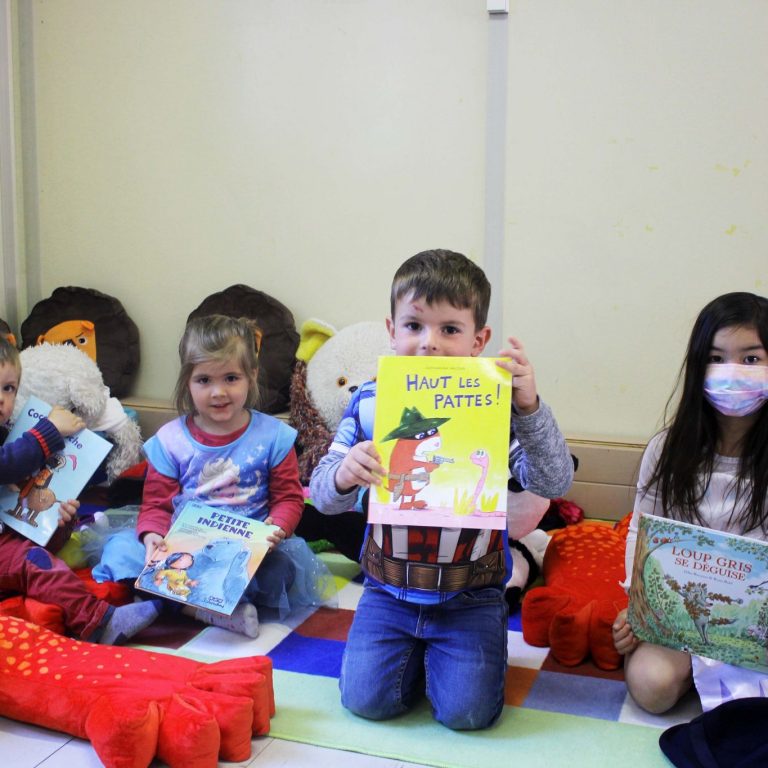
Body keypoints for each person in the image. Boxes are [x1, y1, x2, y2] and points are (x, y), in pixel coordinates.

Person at [310, 249, 573, 729]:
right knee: (367, 702)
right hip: (388, 591)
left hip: (471, 595)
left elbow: (553, 481)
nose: (428, 343)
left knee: (467, 714)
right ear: (391, 331)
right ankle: (414, 655)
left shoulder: (498, 406)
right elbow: (323, 496)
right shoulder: (368, 403)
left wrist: (530, 408)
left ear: (479, 340)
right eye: (414, 325)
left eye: (449, 329)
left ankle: (449, 654)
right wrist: (345, 473)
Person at [98, 314, 331, 638]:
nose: (218, 392)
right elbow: (156, 505)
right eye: (204, 380)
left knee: (281, 571)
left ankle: (164, 602)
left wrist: (276, 527)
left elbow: (289, 498)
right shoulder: (171, 441)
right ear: (187, 382)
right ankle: (202, 610)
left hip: (242, 550)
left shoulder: (273, 437)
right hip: (183, 546)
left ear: (251, 375)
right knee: (122, 551)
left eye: (231, 378)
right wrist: (152, 536)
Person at [612, 292, 768, 714]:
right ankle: (704, 679)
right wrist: (638, 609)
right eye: (716, 358)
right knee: (651, 685)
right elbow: (642, 533)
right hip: (681, 619)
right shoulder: (668, 449)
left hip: (756, 624)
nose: (732, 371)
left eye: (751, 358)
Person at [0, 335, 160, 644]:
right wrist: (48, 430)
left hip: (7, 539)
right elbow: (7, 463)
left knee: (46, 543)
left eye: (9, 388)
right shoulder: (13, 448)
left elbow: (18, 511)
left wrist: (59, 520)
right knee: (34, 562)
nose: (1, 399)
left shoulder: (9, 432)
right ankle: (99, 621)